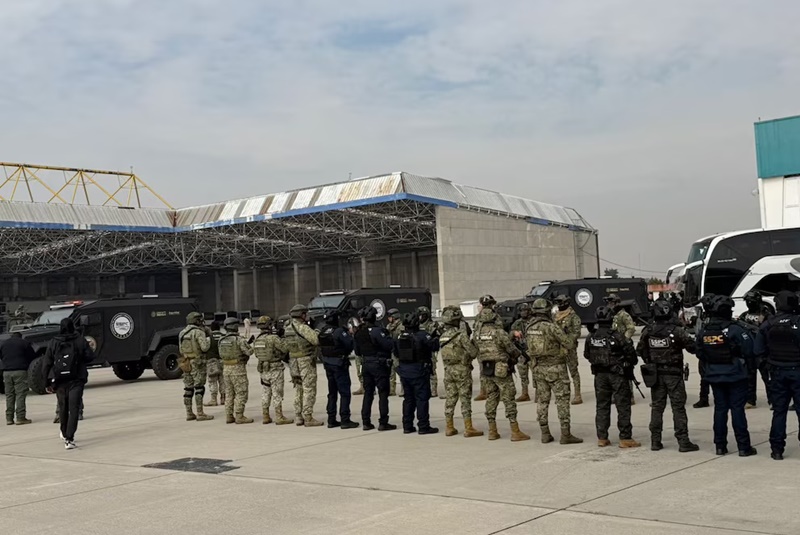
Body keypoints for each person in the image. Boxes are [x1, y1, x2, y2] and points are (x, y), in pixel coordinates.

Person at [695, 295, 757, 457]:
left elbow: (699, 352)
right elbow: (749, 350)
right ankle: (743, 447)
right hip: (735, 374)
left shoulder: (705, 331)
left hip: (715, 375)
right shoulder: (735, 329)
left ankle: (720, 446)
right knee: (737, 409)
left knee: (720, 409)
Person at [637, 300, 699, 452]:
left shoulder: (648, 331)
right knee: (678, 408)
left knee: (657, 407)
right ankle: (683, 442)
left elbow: (640, 350)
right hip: (674, 375)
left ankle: (655, 441)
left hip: (656, 375)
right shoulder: (677, 331)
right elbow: (693, 347)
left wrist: (651, 361)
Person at [527, 298, 582, 444]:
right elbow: (569, 343)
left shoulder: (529, 327)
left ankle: (545, 433)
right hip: (556, 368)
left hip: (538, 368)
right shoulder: (551, 327)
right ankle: (565, 434)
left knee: (542, 401)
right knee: (562, 400)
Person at [585, 306, 640, 448]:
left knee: (602, 406)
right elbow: (632, 356)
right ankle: (625, 438)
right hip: (617, 375)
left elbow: (587, 354)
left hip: (600, 376)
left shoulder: (591, 336)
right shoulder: (617, 336)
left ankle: (602, 437)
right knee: (623, 406)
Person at [755, 290, 800, 460]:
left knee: (779, 412)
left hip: (777, 372)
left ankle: (777, 449)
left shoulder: (768, 324)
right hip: (797, 371)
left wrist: (768, 367)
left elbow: (757, 351)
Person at [475, 302, 530, 441]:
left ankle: (492, 431)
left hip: (486, 369)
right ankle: (515, 431)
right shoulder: (499, 332)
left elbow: (474, 349)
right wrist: (516, 355)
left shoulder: (477, 333)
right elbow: (511, 349)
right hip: (501, 368)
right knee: (508, 398)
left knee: (491, 397)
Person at [42, 318, 94, 449]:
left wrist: (46, 382)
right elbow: (90, 357)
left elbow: (47, 363)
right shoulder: (80, 340)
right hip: (77, 379)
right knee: (74, 408)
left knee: (63, 408)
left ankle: (64, 432)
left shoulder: (54, 342)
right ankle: (69, 438)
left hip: (60, 380)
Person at [439, 306, 483, 437]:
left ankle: (449, 427)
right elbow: (473, 353)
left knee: (450, 399)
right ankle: (468, 428)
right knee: (465, 398)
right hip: (462, 370)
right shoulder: (461, 335)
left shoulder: (442, 336)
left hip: (448, 371)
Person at [353, 306, 396, 431]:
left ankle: (366, 422)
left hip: (366, 364)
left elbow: (357, 351)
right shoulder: (378, 331)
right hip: (379, 364)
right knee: (383, 394)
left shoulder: (359, 332)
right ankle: (383, 422)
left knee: (368, 393)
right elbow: (389, 345)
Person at [395, 313, 439, 434]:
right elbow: (434, 346)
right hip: (419, 371)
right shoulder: (422, 335)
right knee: (422, 399)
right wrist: (436, 337)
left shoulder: (399, 337)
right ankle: (423, 426)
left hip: (404, 372)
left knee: (408, 399)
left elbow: (396, 352)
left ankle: (407, 425)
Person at [283, 304, 322, 427]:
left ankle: (298, 416)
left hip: (293, 361)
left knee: (298, 388)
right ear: (302, 315)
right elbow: (315, 340)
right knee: (309, 388)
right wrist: (317, 331)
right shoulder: (302, 327)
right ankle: (308, 417)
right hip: (305, 360)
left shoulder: (288, 328)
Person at [318, 311, 359, 429]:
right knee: (345, 393)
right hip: (339, 364)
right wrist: (350, 334)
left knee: (332, 393)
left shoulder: (323, 331)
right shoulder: (339, 331)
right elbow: (350, 345)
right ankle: (345, 419)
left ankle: (331, 419)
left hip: (328, 364)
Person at [252, 316, 292, 425]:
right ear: (269, 325)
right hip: (275, 368)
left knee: (266, 392)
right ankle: (279, 416)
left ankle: (265, 415)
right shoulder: (273, 338)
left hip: (263, 369)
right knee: (277, 392)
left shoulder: (257, 339)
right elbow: (285, 348)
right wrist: (283, 337)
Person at [738, 290, 772, 409]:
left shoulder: (765, 314)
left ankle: (772, 400)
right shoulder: (744, 315)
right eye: (747, 301)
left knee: (767, 377)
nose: (749, 303)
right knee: (749, 377)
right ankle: (750, 400)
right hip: (748, 350)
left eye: (751, 301)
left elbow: (769, 330)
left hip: (762, 351)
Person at [178, 312, 213, 422]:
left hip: (186, 362)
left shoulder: (182, 333)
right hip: (197, 363)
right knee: (199, 388)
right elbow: (204, 348)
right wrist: (208, 338)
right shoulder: (198, 332)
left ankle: (189, 413)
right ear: (197, 320)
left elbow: (180, 349)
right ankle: (200, 413)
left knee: (188, 388)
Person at [219, 317, 254, 424]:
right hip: (238, 370)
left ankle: (229, 415)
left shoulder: (221, 340)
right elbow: (248, 352)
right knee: (241, 393)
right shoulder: (238, 340)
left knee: (229, 393)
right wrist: (252, 346)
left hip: (226, 369)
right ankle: (239, 415)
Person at [473, 295, 504, 402]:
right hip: (482, 347)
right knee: (483, 370)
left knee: (498, 369)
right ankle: (483, 391)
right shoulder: (478, 317)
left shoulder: (496, 317)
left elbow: (500, 331)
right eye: (484, 304)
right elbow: (476, 331)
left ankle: (499, 392)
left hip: (494, 346)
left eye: (487, 304)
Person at [608, 293, 638, 404]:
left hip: (624, 347)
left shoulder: (624, 315)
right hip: (613, 347)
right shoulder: (610, 315)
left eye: (612, 302)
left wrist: (624, 340)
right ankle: (615, 394)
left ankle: (630, 395)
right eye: (609, 302)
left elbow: (631, 328)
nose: (610, 304)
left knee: (627, 370)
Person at [1, 332, 37, 425]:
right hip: (20, 371)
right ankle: (20, 417)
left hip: (6, 372)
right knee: (20, 394)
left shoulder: (4, 344)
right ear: (21, 337)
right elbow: (32, 356)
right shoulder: (24, 343)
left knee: (9, 395)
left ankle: (9, 418)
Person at [553, 294, 583, 405]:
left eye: (560, 302)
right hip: (558, 349)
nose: (559, 305)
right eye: (558, 302)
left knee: (573, 371)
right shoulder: (555, 316)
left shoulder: (573, 317)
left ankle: (577, 395)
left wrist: (567, 341)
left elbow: (576, 332)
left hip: (570, 349)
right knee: (561, 373)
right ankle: (564, 394)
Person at [693, 293, 717, 409]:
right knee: (704, 377)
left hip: (715, 347)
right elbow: (698, 331)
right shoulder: (702, 315)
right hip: (704, 349)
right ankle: (704, 398)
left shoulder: (718, 315)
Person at [510, 303, 533, 402]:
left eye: (525, 310)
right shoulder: (517, 323)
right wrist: (514, 333)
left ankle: (539, 393)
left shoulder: (533, 322)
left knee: (536, 374)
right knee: (523, 375)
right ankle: (525, 393)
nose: (524, 312)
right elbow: (510, 336)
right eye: (522, 311)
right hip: (521, 352)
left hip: (532, 351)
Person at [417, 306, 441, 398]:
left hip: (430, 350)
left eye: (422, 315)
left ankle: (433, 390)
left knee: (432, 370)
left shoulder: (433, 325)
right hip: (420, 350)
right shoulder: (417, 325)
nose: (420, 317)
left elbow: (437, 336)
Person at [203, 321, 225, 407]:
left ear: (211, 328)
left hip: (212, 362)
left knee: (212, 381)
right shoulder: (224, 337)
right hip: (223, 361)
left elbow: (204, 349)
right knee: (223, 380)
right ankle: (223, 398)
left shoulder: (209, 338)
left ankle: (213, 400)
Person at [385, 308, 405, 397]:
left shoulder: (401, 326)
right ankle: (391, 389)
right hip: (390, 350)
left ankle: (404, 389)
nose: (388, 319)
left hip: (398, 351)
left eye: (390, 317)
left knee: (400, 370)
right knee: (391, 371)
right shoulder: (388, 326)